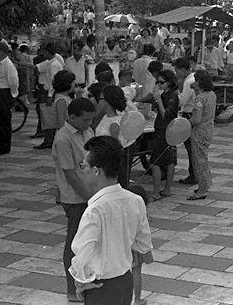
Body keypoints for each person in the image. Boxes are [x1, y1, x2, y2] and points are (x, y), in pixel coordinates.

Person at [70, 136, 153, 305]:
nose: (81, 170)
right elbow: (144, 243)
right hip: (125, 282)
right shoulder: (135, 200)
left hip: (101, 287)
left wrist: (80, 282)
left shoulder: (95, 210)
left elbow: (82, 252)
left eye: (83, 165)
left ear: (96, 171)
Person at [52, 97, 96, 302]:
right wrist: (88, 198)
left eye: (90, 119)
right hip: (76, 198)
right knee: (74, 243)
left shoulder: (88, 132)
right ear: (72, 117)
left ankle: (86, 279)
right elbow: (69, 172)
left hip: (91, 193)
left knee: (89, 241)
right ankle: (71, 289)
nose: (88, 123)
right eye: (85, 119)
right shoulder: (63, 138)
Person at [149, 69, 178, 201]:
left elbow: (165, 115)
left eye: (161, 82)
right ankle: (167, 189)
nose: (159, 85)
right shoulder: (168, 94)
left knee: (156, 161)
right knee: (169, 160)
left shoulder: (172, 96)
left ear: (169, 82)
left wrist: (159, 99)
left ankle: (156, 192)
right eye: (157, 82)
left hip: (165, 130)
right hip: (167, 129)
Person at [187, 70, 216, 201]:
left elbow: (196, 119)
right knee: (203, 159)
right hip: (208, 130)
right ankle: (205, 184)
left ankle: (202, 189)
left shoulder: (200, 99)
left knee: (199, 161)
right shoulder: (211, 95)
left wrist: (187, 122)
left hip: (199, 131)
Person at [0, 42, 19, 155]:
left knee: (3, 121)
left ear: (1, 51)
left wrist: (13, 95)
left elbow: (13, 82)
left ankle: (5, 146)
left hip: (3, 93)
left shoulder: (8, 65)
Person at [37, 70, 77, 150]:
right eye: (72, 82)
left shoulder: (64, 97)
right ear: (66, 84)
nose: (74, 85)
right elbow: (61, 121)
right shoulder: (61, 100)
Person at [173, 58, 197, 185]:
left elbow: (181, 101)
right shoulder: (192, 78)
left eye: (177, 71)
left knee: (190, 147)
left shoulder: (188, 82)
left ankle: (193, 175)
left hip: (190, 113)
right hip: (192, 112)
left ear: (183, 70)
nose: (176, 74)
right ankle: (194, 173)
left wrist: (176, 90)